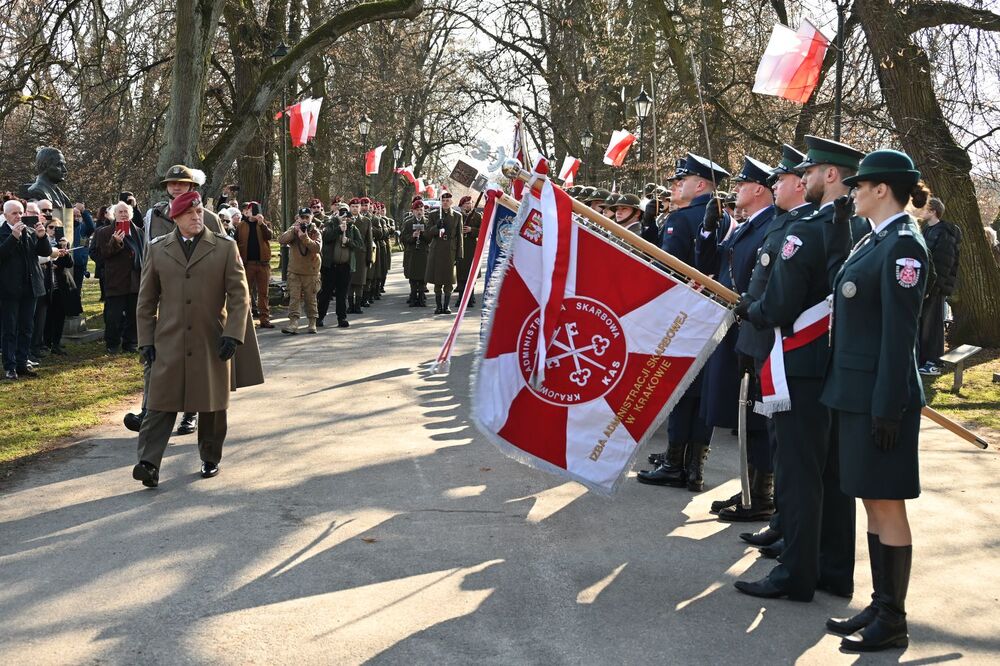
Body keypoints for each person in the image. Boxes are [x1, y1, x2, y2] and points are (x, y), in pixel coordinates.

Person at [733, 135, 869, 602]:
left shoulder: (804, 230)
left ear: (831, 175)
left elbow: (778, 303)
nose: (802, 178)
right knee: (833, 475)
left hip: (800, 366)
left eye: (809, 171)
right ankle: (832, 568)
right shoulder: (863, 229)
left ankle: (795, 573)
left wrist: (749, 307)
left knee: (798, 473)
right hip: (841, 366)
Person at [821, 150, 930, 652]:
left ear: (881, 189)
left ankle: (894, 617)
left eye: (860, 185)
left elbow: (898, 336)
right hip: (858, 393)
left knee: (887, 504)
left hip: (879, 399)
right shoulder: (876, 239)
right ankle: (880, 600)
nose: (853, 191)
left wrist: (888, 405)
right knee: (870, 498)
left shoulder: (904, 246)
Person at [132, 191, 256, 487]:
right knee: (160, 402)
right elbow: (146, 300)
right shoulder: (158, 249)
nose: (197, 217)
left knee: (212, 403)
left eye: (199, 211)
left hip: (211, 336)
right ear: (176, 218)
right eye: (190, 213)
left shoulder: (224, 247)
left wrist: (233, 335)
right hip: (169, 338)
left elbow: (240, 296)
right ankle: (148, 463)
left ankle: (210, 456)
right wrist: (146, 340)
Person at [733, 144, 816, 551]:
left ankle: (780, 515)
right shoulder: (784, 224)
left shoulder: (801, 226)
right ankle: (777, 513)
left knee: (782, 439)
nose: (774, 185)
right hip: (760, 334)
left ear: (800, 185)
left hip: (778, 339)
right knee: (767, 428)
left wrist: (755, 309)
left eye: (780, 179)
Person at [639, 153, 729, 489]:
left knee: (679, 388)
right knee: (700, 391)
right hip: (710, 315)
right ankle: (694, 467)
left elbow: (666, 266)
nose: (676, 185)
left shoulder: (685, 217)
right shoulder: (723, 218)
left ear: (701, 185)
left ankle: (676, 462)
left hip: (684, 313)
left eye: (682, 180)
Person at [697, 156, 777, 517]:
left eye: (742, 185)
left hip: (751, 326)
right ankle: (747, 486)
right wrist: (707, 232)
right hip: (736, 324)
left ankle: (761, 494)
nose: (736, 190)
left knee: (757, 413)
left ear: (758, 189)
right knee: (743, 410)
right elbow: (715, 263)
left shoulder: (770, 226)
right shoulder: (748, 225)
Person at [124, 164, 228, 435]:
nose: (176, 186)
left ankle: (191, 413)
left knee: (195, 358)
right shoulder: (154, 215)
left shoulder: (209, 218)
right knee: (155, 354)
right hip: (167, 296)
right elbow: (149, 252)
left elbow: (226, 257)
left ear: (192, 186)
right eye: (172, 183)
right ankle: (149, 410)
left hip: (201, 298)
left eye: (182, 182)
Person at [0, 200, 54, 380]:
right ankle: (10, 366)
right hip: (9, 289)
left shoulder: (30, 232)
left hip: (31, 287)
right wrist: (12, 237)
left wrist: (42, 236)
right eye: (14, 213)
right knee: (10, 329)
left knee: (27, 327)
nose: (19, 216)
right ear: (6, 215)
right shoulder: (2, 232)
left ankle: (23, 363)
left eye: (21, 212)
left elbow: (45, 252)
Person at [92, 201, 144, 353]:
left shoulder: (139, 231)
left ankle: (131, 344)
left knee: (133, 315)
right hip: (115, 279)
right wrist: (115, 242)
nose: (123, 214)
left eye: (125, 211)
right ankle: (112, 344)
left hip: (135, 279)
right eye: (119, 212)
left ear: (131, 214)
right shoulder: (104, 232)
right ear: (114, 215)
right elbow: (102, 255)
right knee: (113, 316)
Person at [917, 197, 961, 375]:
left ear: (933, 211)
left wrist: (932, 288)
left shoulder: (945, 232)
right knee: (923, 324)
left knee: (933, 325)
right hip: (926, 286)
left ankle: (934, 362)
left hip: (936, 287)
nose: (921, 211)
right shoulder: (928, 230)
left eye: (925, 208)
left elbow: (943, 264)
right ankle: (922, 359)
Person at [317, 203, 363, 328]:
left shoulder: (352, 228)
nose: (343, 216)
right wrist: (338, 229)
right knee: (325, 294)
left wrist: (348, 241)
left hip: (345, 266)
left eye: (345, 213)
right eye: (341, 213)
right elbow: (325, 237)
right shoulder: (330, 224)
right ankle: (319, 317)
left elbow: (360, 245)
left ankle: (342, 318)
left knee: (342, 295)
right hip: (330, 266)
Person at [279, 207, 322, 334]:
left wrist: (305, 238)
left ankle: (312, 322)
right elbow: (282, 240)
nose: (304, 220)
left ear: (311, 218)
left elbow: (317, 248)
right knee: (294, 298)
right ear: (298, 218)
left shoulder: (315, 231)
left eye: (307, 217)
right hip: (295, 271)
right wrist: (294, 230)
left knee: (311, 299)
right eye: (302, 217)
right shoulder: (293, 229)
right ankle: (293, 323)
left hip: (311, 272)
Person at [424, 191, 464, 314]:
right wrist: (436, 227)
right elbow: (427, 233)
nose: (445, 203)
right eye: (443, 200)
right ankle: (438, 306)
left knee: (448, 279)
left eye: (447, 200)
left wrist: (459, 253)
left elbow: (460, 235)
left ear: (451, 202)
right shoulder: (433, 214)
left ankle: (446, 306)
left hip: (450, 250)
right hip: (437, 249)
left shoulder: (457, 216)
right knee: (437, 279)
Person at [235, 201, 274, 328]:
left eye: (254, 211)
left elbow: (269, 236)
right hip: (248, 264)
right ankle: (248, 320)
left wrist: (262, 224)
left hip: (263, 264)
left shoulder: (264, 224)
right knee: (247, 292)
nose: (251, 213)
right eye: (249, 210)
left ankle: (264, 319)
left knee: (264, 293)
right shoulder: (241, 226)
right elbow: (235, 243)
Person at [455, 195, 482, 307]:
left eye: (470, 203)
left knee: (471, 273)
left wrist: (472, 230)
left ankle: (470, 297)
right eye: (466, 203)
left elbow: (482, 231)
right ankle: (461, 297)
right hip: (460, 247)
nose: (468, 205)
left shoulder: (477, 216)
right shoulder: (458, 216)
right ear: (461, 205)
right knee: (461, 274)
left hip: (472, 247)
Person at [347, 198, 374, 314]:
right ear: (349, 207)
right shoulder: (345, 219)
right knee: (349, 281)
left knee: (360, 282)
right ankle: (350, 305)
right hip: (348, 254)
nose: (355, 208)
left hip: (361, 254)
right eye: (352, 206)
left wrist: (369, 257)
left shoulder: (366, 221)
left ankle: (358, 305)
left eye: (357, 206)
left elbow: (369, 240)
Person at [402, 198, 429, 307]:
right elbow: (402, 238)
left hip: (423, 252)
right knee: (413, 277)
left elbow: (431, 238)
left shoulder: (427, 222)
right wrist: (412, 237)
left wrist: (423, 233)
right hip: (412, 252)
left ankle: (421, 298)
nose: (419, 212)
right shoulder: (408, 223)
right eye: (417, 210)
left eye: (421, 210)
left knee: (423, 277)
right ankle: (413, 298)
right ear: (413, 211)